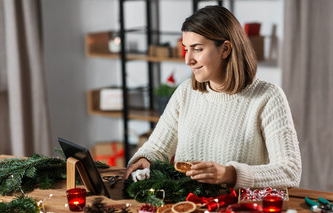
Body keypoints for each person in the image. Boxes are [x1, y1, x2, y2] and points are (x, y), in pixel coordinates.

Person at [123, 5, 301, 189]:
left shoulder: (268, 97)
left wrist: (230, 174)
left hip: (237, 212)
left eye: (197, 49)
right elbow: (157, 149)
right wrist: (144, 159)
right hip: (187, 210)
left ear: (225, 49)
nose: (188, 60)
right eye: (186, 49)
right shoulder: (185, 92)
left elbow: (290, 171)